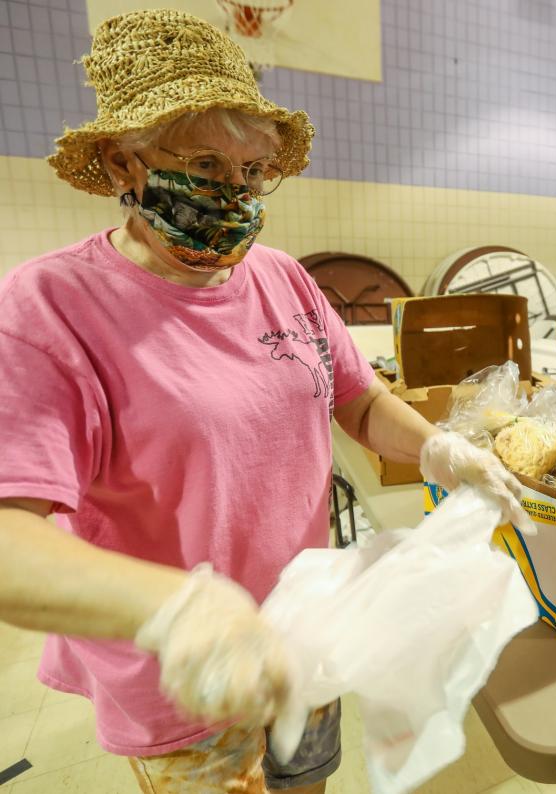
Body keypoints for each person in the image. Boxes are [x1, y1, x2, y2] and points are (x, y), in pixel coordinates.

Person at [0, 10, 528, 794]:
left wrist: (439, 448)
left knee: (308, 784)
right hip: (191, 678)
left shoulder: (281, 278)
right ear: (121, 164)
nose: (237, 192)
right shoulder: (51, 308)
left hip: (308, 631)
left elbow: (356, 399)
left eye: (253, 172)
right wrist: (179, 610)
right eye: (209, 167)